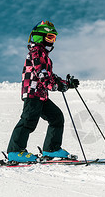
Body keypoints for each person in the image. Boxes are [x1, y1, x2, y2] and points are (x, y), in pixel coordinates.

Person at [7, 20, 79, 163]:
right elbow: (42, 74)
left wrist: (66, 83)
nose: (53, 41)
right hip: (33, 93)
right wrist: (56, 86)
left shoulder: (44, 55)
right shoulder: (36, 52)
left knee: (56, 117)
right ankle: (15, 151)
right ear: (40, 37)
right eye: (50, 37)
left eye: (54, 38)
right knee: (28, 120)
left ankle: (51, 149)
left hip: (41, 95)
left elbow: (50, 76)